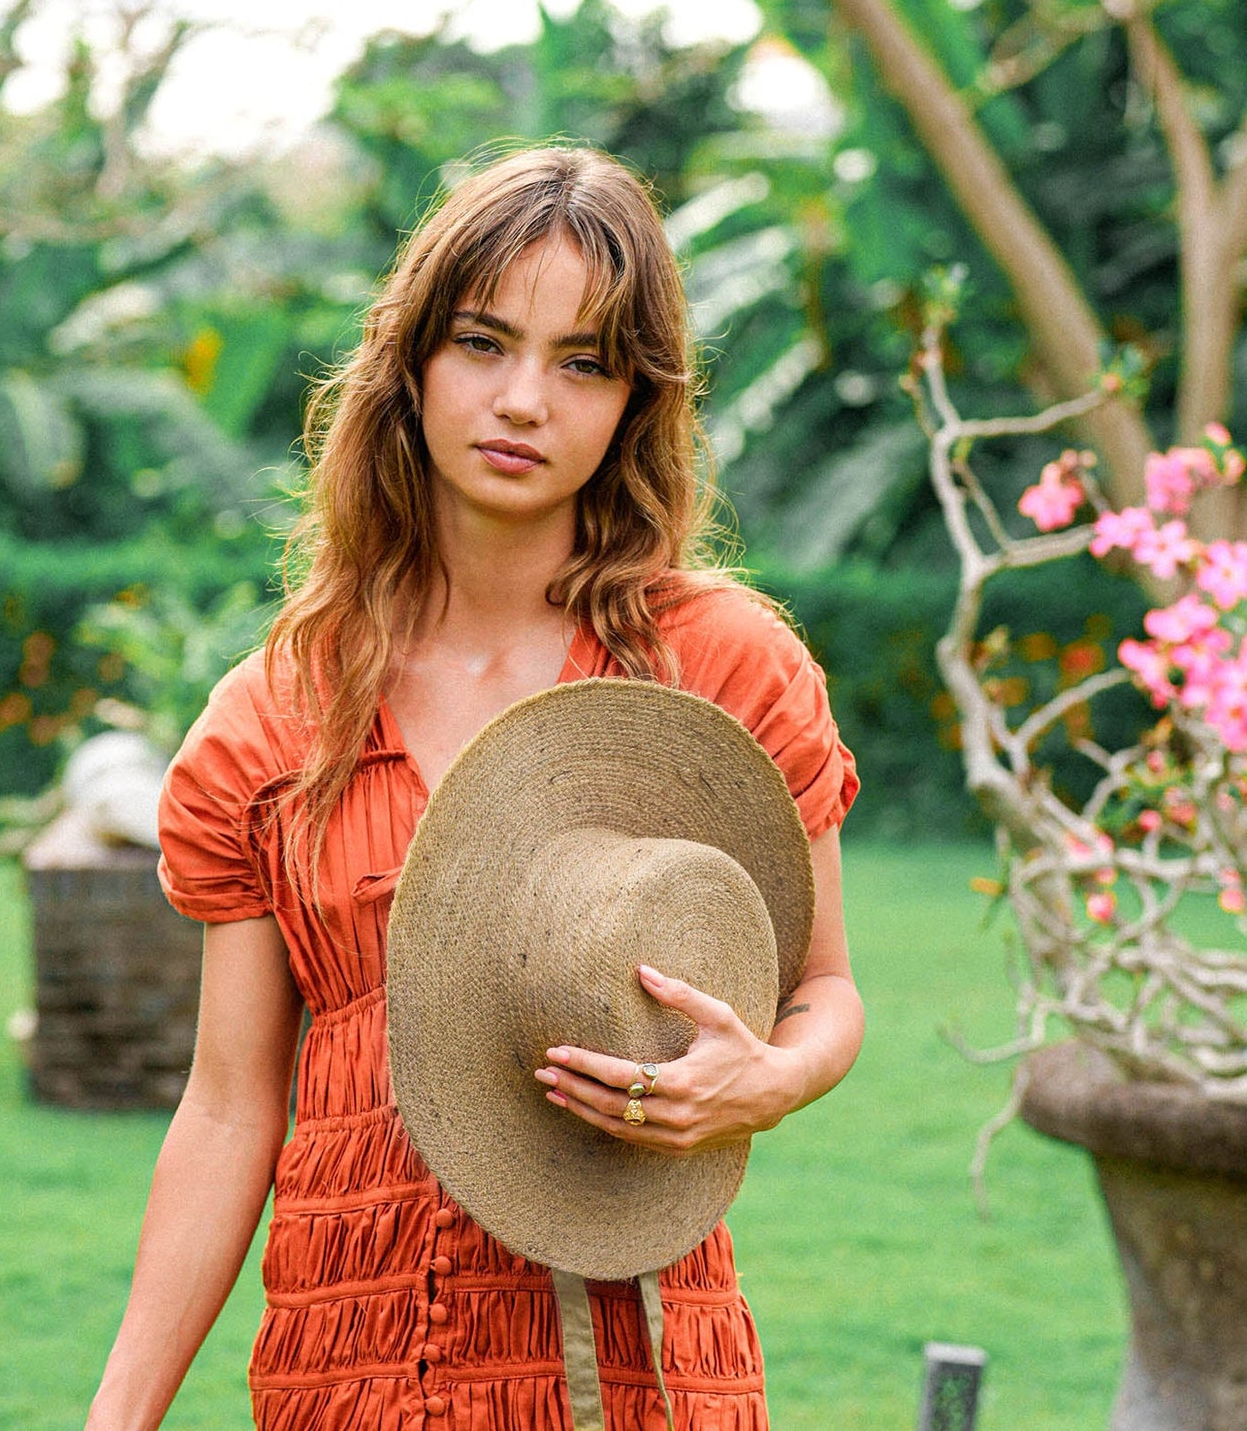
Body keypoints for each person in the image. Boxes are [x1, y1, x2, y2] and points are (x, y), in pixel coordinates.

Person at [85, 143, 862, 1431]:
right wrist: (117, 1416)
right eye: (483, 343)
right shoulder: (272, 720)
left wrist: (770, 1079)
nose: (522, 401)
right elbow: (228, 1104)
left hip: (642, 1361)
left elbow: (824, 990)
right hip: (354, 1355)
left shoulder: (716, 666)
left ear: (635, 401)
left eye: (583, 362)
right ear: (412, 363)